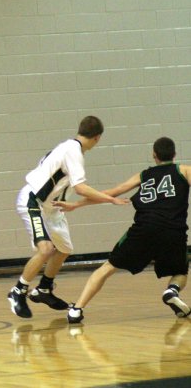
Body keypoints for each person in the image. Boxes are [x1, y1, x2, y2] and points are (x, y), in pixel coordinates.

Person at [7, 116, 128, 318]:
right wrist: (110, 199)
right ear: (97, 138)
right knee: (46, 249)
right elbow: (81, 188)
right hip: (33, 202)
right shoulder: (73, 151)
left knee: (63, 249)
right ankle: (18, 291)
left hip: (52, 207)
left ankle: (44, 289)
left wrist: (68, 203)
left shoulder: (67, 147)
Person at [63, 137, 190, 323]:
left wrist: (76, 204)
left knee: (107, 268)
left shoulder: (143, 175)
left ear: (154, 155)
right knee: (180, 272)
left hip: (144, 229)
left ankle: (77, 309)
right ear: (174, 154)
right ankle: (172, 291)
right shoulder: (184, 170)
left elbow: (111, 193)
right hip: (173, 230)